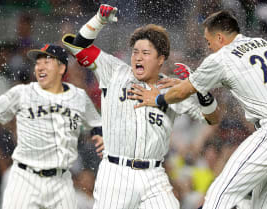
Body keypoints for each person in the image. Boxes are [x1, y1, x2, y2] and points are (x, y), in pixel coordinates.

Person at [128, 10, 267, 209]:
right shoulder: (262, 44)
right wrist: (190, 83)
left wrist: (156, 98)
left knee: (221, 192)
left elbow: (184, 91)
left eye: (209, 42)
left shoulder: (223, 57)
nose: (209, 48)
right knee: (266, 206)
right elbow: (233, 80)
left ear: (220, 37)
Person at [61, 4, 220, 209]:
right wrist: (99, 20)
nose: (137, 57)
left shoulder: (172, 89)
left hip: (153, 175)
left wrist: (199, 89)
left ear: (161, 59)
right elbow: (79, 46)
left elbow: (212, 118)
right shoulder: (114, 71)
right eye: (135, 52)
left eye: (145, 53)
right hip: (116, 173)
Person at [0, 44, 104, 209]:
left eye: (46, 62)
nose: (40, 66)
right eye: (38, 63)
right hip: (25, 178)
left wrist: (99, 135)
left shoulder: (78, 96)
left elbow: (96, 123)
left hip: (60, 180)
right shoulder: (22, 93)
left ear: (61, 68)